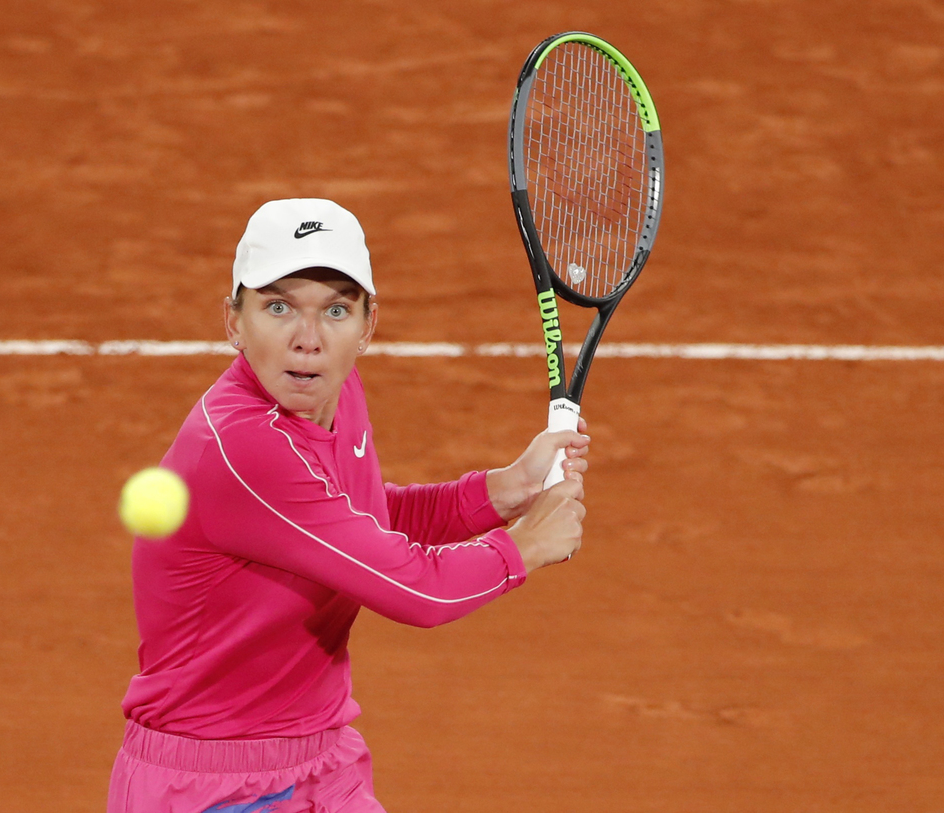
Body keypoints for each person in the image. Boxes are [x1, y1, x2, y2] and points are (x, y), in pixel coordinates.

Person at [107, 198, 590, 813]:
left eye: (335, 310)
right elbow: (417, 592)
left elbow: (353, 524)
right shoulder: (244, 446)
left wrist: (500, 491)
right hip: (213, 785)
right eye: (278, 307)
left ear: (367, 325)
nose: (308, 341)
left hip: (322, 761)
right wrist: (525, 546)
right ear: (233, 322)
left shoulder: (334, 391)